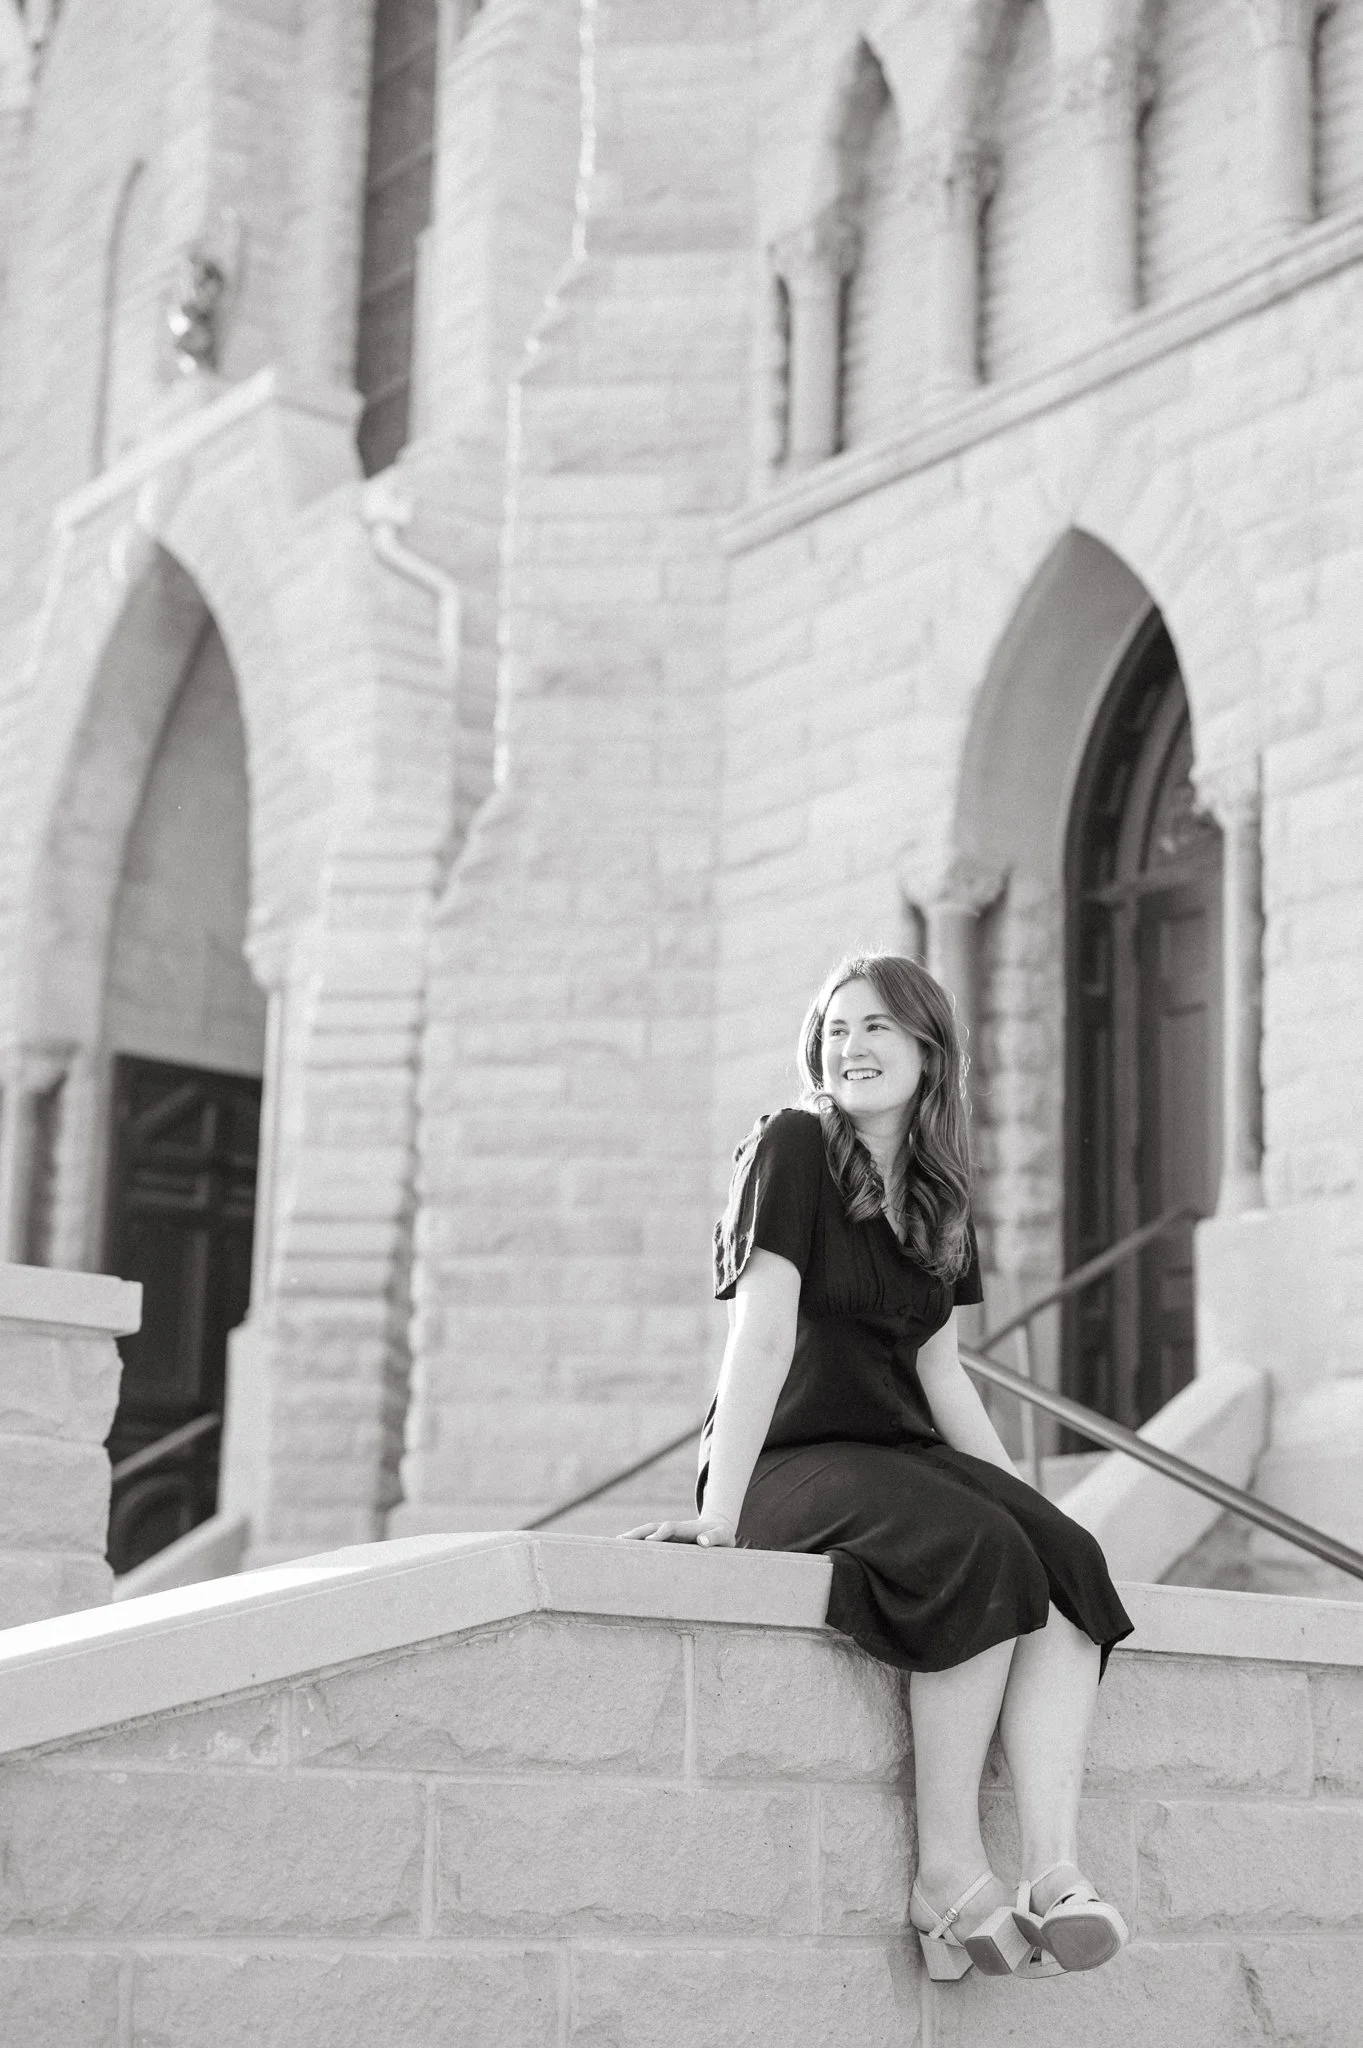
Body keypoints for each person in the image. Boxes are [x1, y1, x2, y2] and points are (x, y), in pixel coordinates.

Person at [622, 953, 1134, 1982]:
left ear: (928, 1050)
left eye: (874, 1028)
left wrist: (1033, 1505)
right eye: (834, 1029)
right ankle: (946, 1872)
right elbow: (760, 1340)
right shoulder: (792, 1145)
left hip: (897, 1452)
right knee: (975, 1548)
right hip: (790, 1458)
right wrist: (719, 1515)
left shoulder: (941, 1189)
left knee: (1067, 1557)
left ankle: (1050, 1869)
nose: (847, 1047)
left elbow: (939, 1368)